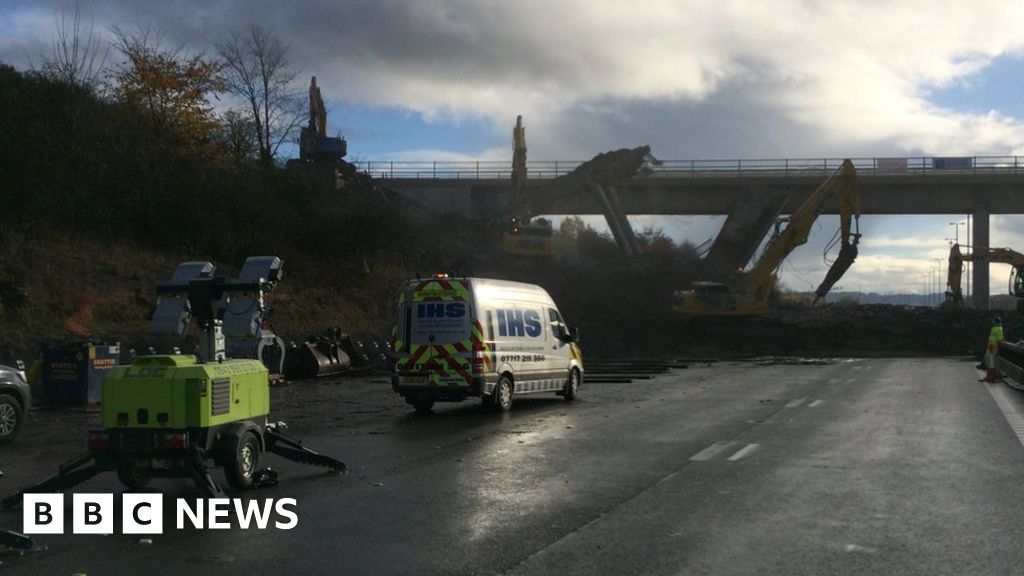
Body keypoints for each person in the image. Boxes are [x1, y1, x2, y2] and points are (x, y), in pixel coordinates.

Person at [980, 315, 1005, 382]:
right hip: (991, 345)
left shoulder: (999, 328)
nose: (992, 322)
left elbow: (1000, 339)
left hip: (994, 345)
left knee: (991, 361)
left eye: (993, 321)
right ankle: (993, 376)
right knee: (989, 360)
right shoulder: (995, 328)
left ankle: (991, 376)